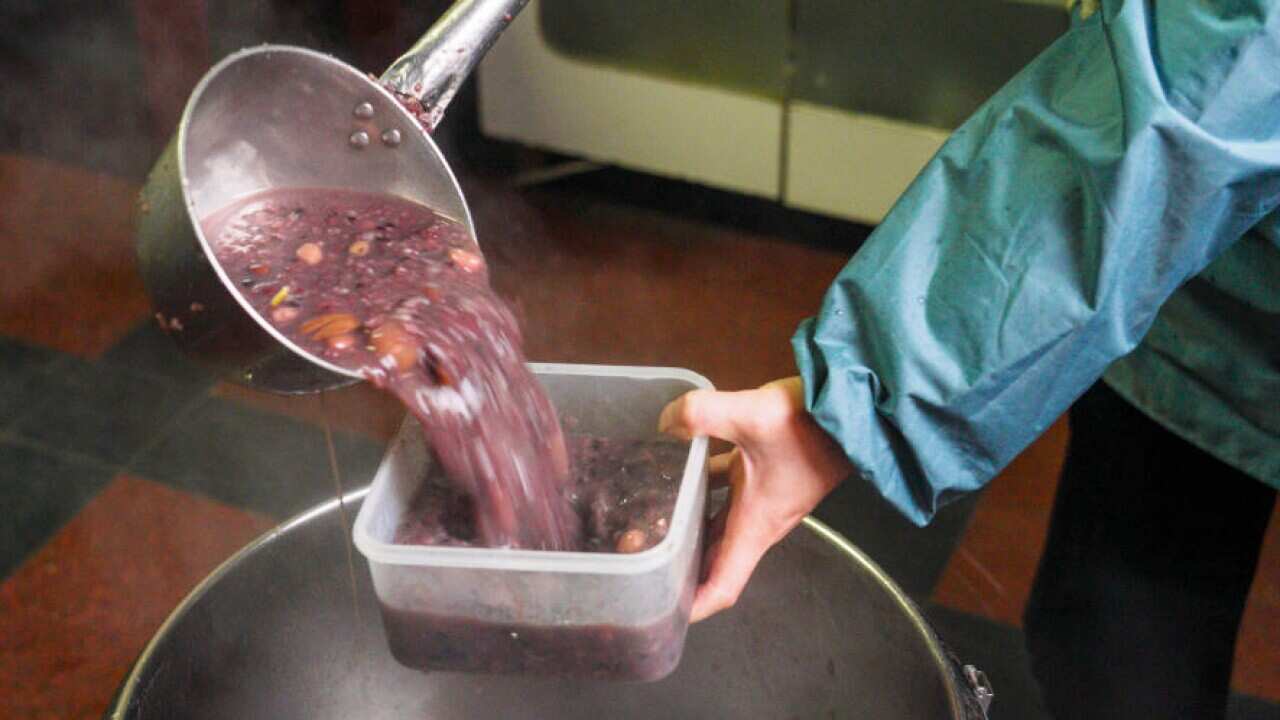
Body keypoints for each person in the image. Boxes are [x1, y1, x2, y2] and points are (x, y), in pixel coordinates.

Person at [659, 2, 1279, 718]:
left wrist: (852, 408)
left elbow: (1207, 78)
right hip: (1190, 312)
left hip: (1181, 241)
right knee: (1114, 650)